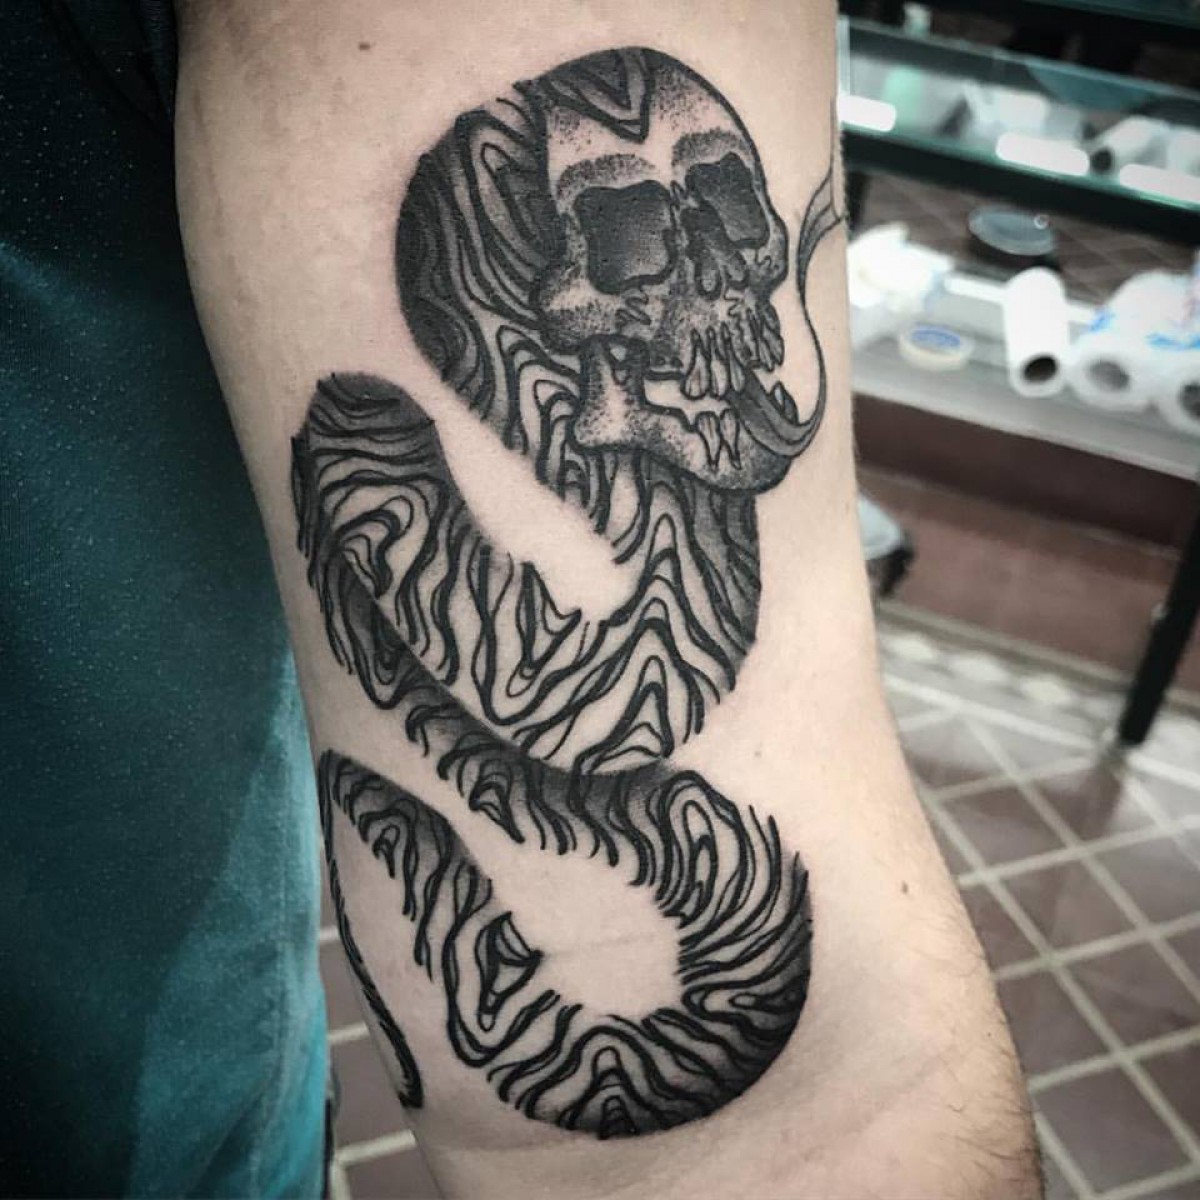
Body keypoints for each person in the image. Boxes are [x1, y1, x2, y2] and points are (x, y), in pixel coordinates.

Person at [2, 1, 1039, 1196]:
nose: (722, 286)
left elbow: (803, 1129)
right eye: (631, 241)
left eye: (727, 216)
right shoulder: (382, 475)